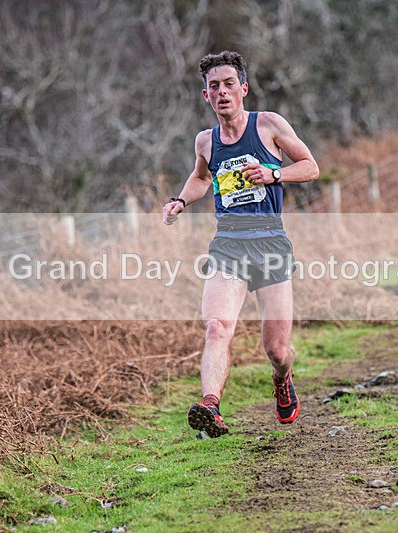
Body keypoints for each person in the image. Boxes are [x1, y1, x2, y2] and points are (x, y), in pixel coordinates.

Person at [162, 51, 319, 437]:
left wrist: (273, 173)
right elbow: (201, 178)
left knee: (277, 350)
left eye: (229, 84)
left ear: (243, 89)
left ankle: (283, 379)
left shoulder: (268, 125)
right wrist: (181, 201)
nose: (222, 92)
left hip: (269, 243)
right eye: (213, 86)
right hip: (228, 245)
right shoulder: (205, 141)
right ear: (206, 96)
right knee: (216, 327)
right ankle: (210, 404)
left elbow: (311, 167)